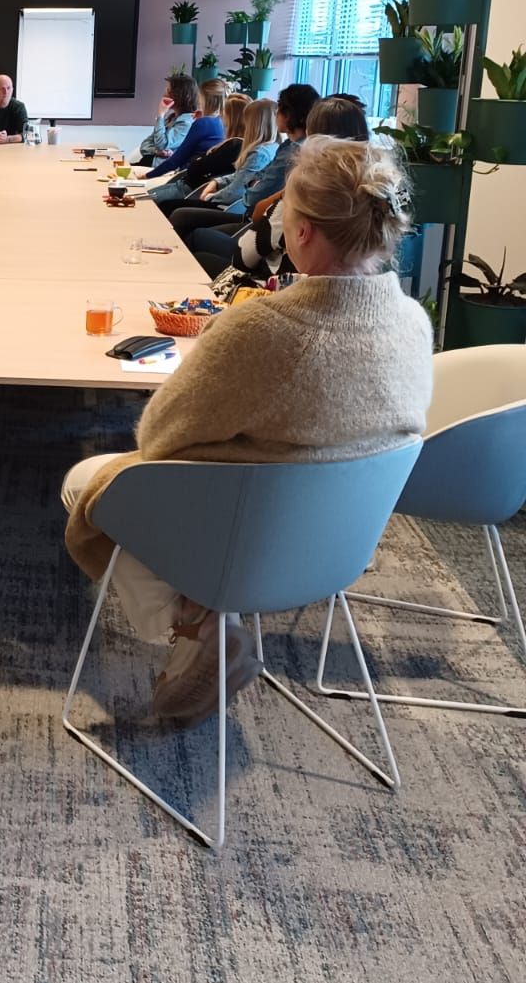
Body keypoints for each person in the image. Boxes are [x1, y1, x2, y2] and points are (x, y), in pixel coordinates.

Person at [62, 134, 433, 729]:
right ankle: (204, 618)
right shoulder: (415, 324)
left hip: (249, 540)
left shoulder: (265, 328)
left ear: (302, 230)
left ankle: (197, 624)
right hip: (338, 544)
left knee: (89, 481)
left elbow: (157, 436)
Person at [176, 81, 321, 276]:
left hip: (252, 221)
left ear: (290, 114)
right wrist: (223, 183)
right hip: (251, 217)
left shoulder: (294, 152)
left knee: (184, 220)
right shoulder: (287, 146)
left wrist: (241, 188)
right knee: (184, 219)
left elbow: (253, 196)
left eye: (279, 110)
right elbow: (256, 179)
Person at [232, 96, 371, 285]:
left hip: (287, 291)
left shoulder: (305, 194)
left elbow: (242, 257)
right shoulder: (372, 196)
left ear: (314, 137)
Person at [166, 99, 279, 241]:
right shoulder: (269, 148)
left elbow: (235, 191)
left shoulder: (258, 154)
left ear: (254, 123)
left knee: (176, 212)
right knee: (175, 210)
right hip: (227, 202)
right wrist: (216, 183)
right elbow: (237, 177)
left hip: (230, 207)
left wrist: (210, 197)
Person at [149, 91, 249, 210]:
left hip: (190, 189)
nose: (221, 118)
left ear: (231, 118)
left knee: (145, 201)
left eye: (224, 114)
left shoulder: (234, 145)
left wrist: (199, 160)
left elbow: (195, 167)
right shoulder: (243, 144)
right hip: (186, 184)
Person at [143, 79, 228, 176]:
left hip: (185, 178)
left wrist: (147, 176)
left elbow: (175, 160)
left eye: (200, 97)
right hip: (192, 176)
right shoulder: (218, 122)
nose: (198, 101)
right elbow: (144, 145)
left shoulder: (199, 123)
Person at [134, 74, 200, 165]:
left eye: (168, 91)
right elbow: (144, 146)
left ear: (179, 95)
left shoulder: (186, 123)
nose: (164, 94)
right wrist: (156, 151)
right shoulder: (171, 118)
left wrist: (161, 114)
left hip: (158, 170)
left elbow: (162, 145)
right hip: (148, 162)